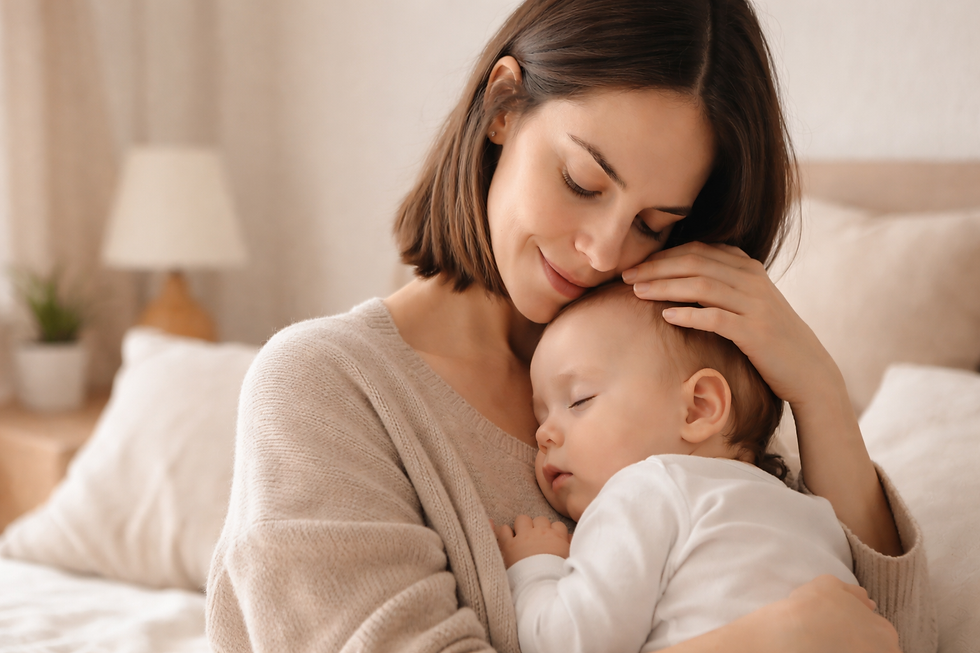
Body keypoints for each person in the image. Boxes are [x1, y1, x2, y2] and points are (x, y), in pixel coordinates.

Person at [206, 1, 936, 652]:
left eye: (654, 224)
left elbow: (895, 634)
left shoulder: (671, 377)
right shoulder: (324, 387)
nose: (604, 250)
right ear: (502, 106)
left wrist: (817, 391)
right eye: (582, 182)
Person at [494, 283, 860, 653]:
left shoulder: (646, 489)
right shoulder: (816, 514)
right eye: (539, 415)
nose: (543, 434)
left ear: (698, 407)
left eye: (578, 400)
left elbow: (571, 643)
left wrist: (535, 566)